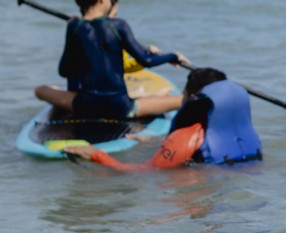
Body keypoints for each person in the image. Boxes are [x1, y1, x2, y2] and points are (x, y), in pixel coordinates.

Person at [34, 0, 189, 119]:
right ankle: (158, 97)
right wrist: (172, 56)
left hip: (85, 106)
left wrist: (75, 28)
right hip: (120, 107)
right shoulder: (119, 25)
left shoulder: (74, 27)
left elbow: (64, 70)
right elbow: (146, 61)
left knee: (40, 90)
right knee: (182, 99)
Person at [64, 67, 263, 169]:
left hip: (200, 192)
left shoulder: (186, 136)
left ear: (191, 97)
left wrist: (95, 155)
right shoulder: (243, 135)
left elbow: (144, 173)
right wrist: (155, 142)